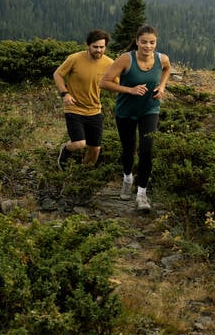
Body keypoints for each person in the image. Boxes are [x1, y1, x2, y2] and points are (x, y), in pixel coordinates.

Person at [100, 24, 171, 212]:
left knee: (146, 150)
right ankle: (127, 178)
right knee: (128, 149)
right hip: (126, 111)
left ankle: (141, 194)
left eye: (152, 42)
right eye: (144, 42)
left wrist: (162, 87)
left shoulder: (161, 58)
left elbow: (167, 69)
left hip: (150, 109)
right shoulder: (126, 59)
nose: (148, 46)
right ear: (137, 41)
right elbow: (104, 82)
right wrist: (129, 90)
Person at [52, 29, 113, 168]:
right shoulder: (74, 58)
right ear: (87, 45)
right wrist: (65, 94)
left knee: (95, 149)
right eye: (95, 47)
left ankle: (84, 173)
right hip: (74, 108)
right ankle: (65, 149)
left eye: (102, 47)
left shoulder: (109, 63)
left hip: (94, 110)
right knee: (79, 144)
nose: (99, 50)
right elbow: (57, 74)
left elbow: (118, 83)